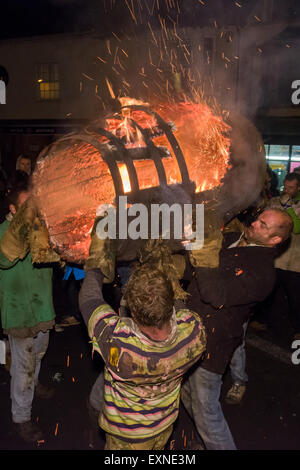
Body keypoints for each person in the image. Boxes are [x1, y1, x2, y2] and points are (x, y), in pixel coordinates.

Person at [180, 208, 293, 450]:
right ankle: (203, 442)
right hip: (188, 332)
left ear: (275, 240)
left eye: (263, 225)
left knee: (207, 410)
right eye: (258, 219)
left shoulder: (263, 274)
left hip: (212, 344)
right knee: (186, 395)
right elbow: (193, 271)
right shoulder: (232, 239)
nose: (254, 223)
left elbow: (215, 294)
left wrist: (205, 258)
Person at [79, 239, 206, 451]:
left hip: (127, 437)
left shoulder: (118, 343)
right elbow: (179, 304)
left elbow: (89, 298)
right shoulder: (194, 330)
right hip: (164, 423)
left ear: (133, 312)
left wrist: (95, 266)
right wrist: (165, 275)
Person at [0, 187, 56, 443]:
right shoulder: (3, 233)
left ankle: (34, 382)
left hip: (42, 307)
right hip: (19, 310)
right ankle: (21, 417)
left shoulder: (42, 227)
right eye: (26, 206)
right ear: (13, 210)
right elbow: (6, 260)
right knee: (23, 367)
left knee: (39, 354)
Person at [253, 172, 300, 338]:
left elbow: (296, 228)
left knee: (295, 297)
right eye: (285, 186)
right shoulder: (276, 202)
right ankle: (263, 320)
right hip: (276, 259)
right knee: (269, 291)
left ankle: (298, 328)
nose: (287, 190)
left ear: (299, 187)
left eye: (291, 187)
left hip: (294, 262)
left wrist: (289, 208)